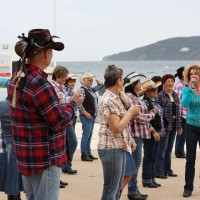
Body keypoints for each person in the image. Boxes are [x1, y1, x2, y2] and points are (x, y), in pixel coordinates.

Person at [7, 29, 83, 200]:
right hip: (45, 157)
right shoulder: (40, 83)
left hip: (26, 155)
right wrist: (73, 104)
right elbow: (58, 122)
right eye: (50, 50)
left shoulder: (16, 78)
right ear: (46, 53)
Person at [98, 65, 140, 200]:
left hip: (118, 147)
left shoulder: (115, 98)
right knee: (111, 189)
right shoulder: (108, 100)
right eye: (122, 79)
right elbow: (116, 128)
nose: (123, 82)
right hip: (111, 148)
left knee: (115, 189)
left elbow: (121, 125)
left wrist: (130, 141)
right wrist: (130, 112)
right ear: (118, 81)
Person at [124, 72, 156, 200]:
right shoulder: (130, 97)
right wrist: (152, 115)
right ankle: (132, 191)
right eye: (138, 82)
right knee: (135, 163)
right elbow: (136, 116)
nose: (140, 84)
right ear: (133, 85)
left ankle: (134, 189)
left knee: (136, 162)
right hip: (135, 133)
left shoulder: (135, 96)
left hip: (139, 133)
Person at [155, 74, 182, 179]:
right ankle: (159, 171)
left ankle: (168, 170)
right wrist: (161, 127)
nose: (170, 83)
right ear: (164, 83)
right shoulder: (160, 96)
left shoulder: (175, 95)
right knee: (162, 148)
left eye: (172, 81)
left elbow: (178, 112)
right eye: (168, 81)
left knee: (169, 149)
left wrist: (179, 126)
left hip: (174, 125)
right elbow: (158, 113)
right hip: (165, 125)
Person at [50, 65, 72, 188]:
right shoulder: (53, 87)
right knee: (59, 151)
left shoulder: (60, 87)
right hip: (60, 122)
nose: (65, 78)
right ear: (58, 75)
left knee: (63, 149)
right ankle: (56, 178)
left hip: (64, 121)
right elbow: (57, 105)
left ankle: (58, 177)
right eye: (64, 76)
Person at [138, 80, 162, 189]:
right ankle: (147, 178)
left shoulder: (153, 101)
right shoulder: (146, 103)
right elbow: (145, 119)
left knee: (153, 155)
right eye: (152, 90)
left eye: (156, 89)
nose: (155, 91)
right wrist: (153, 131)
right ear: (147, 92)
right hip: (150, 132)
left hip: (155, 132)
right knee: (149, 155)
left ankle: (151, 178)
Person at [182, 64, 200, 198]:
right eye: (191, 74)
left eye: (196, 74)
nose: (193, 76)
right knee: (190, 159)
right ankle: (188, 188)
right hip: (191, 126)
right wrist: (190, 89)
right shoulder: (186, 89)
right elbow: (185, 104)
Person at [0, 99, 24, 200]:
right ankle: (14, 193)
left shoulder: (3, 105)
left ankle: (13, 193)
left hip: (5, 142)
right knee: (14, 159)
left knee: (9, 157)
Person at [79, 72, 103, 161]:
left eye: (91, 80)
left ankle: (88, 153)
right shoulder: (82, 90)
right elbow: (79, 104)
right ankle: (84, 154)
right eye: (89, 80)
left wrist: (95, 77)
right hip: (87, 115)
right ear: (84, 81)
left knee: (89, 135)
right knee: (86, 135)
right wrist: (85, 113)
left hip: (92, 115)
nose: (91, 82)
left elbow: (101, 85)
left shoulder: (90, 89)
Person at [62, 74, 78, 174]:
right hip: (68, 119)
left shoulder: (72, 92)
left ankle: (66, 165)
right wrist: (69, 118)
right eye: (71, 81)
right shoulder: (64, 91)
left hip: (74, 118)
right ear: (67, 82)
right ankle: (67, 164)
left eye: (74, 82)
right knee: (73, 142)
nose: (73, 83)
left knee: (68, 143)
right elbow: (63, 105)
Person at [174, 66, 187, 158]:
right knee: (182, 133)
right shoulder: (181, 86)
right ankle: (179, 152)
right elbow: (179, 101)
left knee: (181, 133)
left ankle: (179, 151)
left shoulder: (180, 84)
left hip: (183, 113)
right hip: (183, 113)